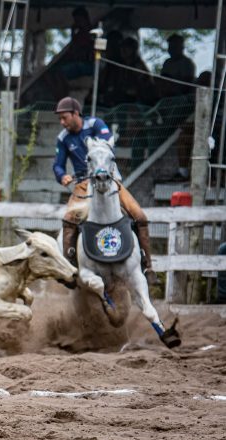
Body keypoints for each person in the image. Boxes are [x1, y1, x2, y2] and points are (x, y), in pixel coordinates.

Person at [52, 96, 158, 286]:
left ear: (76, 114)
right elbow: (57, 165)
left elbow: (105, 147)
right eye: (60, 119)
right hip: (83, 185)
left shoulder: (96, 125)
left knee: (139, 216)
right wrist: (62, 176)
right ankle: (70, 267)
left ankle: (147, 266)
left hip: (112, 181)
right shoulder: (63, 138)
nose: (62, 122)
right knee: (69, 219)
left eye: (64, 117)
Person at [159, 34, 196, 98]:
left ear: (181, 47)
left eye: (174, 47)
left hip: (180, 98)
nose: (171, 50)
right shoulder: (167, 62)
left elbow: (186, 85)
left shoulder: (187, 63)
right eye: (170, 47)